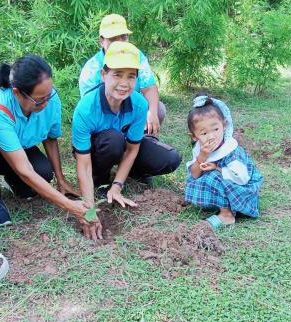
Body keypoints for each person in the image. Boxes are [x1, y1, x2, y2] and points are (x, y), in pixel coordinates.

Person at [0, 55, 89, 227]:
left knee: (44, 172)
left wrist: (61, 179)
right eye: (39, 100)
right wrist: (70, 207)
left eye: (48, 96)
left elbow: (50, 138)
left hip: (18, 148)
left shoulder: (50, 99)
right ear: (17, 93)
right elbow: (24, 169)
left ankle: (13, 181)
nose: (45, 103)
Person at [72, 41, 181, 240]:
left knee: (170, 158)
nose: (124, 83)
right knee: (112, 140)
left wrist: (118, 185)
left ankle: (127, 175)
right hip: (99, 152)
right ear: (103, 75)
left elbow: (132, 149)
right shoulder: (86, 108)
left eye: (131, 76)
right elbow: (83, 163)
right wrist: (88, 210)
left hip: (123, 147)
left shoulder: (139, 104)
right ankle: (101, 178)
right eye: (117, 74)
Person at [79, 14, 166, 138]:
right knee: (114, 141)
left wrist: (152, 112)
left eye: (123, 37)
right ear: (102, 40)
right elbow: (90, 109)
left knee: (158, 109)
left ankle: (142, 141)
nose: (119, 43)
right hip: (104, 122)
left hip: (131, 109)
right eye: (113, 38)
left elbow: (149, 87)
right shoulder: (91, 69)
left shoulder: (137, 56)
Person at [185, 94, 263, 230]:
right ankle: (214, 204)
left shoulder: (231, 150)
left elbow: (242, 178)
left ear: (224, 125)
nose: (211, 136)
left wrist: (217, 168)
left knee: (213, 177)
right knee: (198, 177)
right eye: (204, 133)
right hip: (224, 186)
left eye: (216, 129)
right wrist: (203, 155)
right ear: (194, 137)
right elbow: (194, 174)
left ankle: (227, 215)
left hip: (242, 189)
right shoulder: (201, 148)